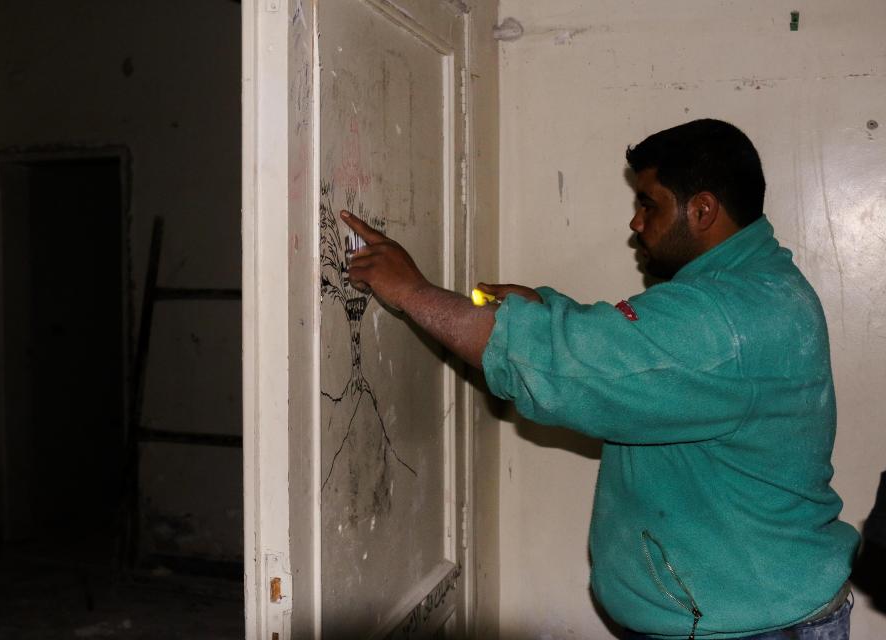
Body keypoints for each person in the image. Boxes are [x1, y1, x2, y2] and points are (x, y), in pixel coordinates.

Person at [340, 119, 859, 639]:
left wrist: (411, 291)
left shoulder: (724, 318)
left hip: (751, 628)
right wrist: (548, 310)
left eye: (649, 204)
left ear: (702, 210)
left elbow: (572, 366)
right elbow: (642, 354)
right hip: (753, 613)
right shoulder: (754, 288)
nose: (636, 222)